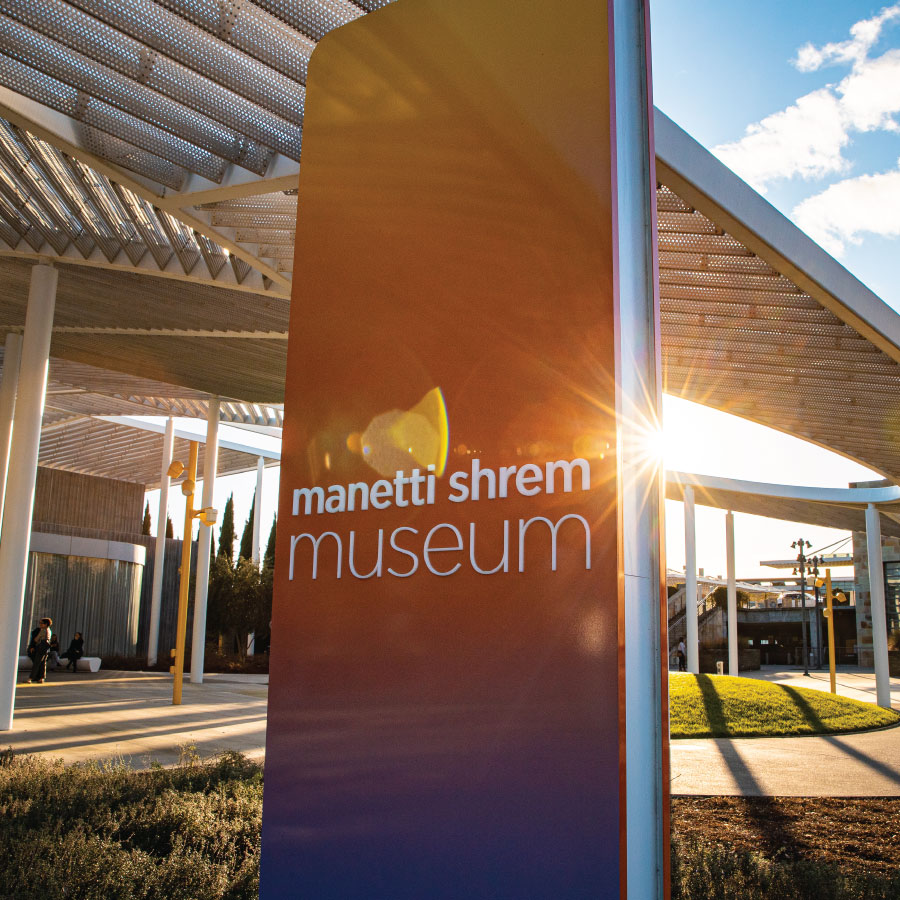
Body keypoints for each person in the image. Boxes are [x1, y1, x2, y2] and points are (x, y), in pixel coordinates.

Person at [27, 617, 53, 683]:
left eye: (41, 623)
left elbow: (36, 639)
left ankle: (31, 678)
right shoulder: (49, 630)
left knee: (37, 662)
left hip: (41, 647)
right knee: (43, 663)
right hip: (46, 648)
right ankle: (42, 678)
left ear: (45, 624)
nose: (40, 624)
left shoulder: (43, 630)